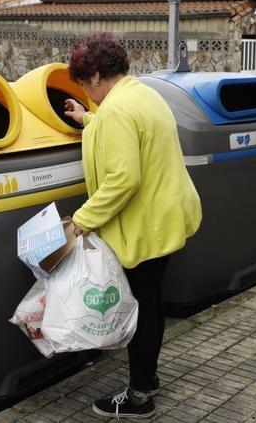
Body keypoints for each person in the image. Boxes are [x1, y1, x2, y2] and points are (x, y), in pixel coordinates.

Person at [63, 33, 202, 419]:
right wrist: (87, 119)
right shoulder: (141, 94)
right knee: (151, 301)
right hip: (167, 220)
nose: (85, 93)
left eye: (82, 84)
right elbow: (126, 133)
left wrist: (82, 221)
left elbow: (123, 178)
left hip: (146, 228)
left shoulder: (117, 111)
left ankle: (140, 397)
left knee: (140, 311)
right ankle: (148, 378)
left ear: (93, 76)